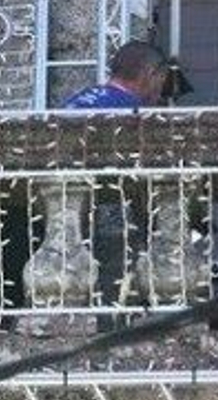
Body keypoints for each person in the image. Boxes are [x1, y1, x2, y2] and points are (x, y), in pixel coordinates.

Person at [60, 41, 171, 300]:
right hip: (112, 220)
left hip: (69, 216)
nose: (160, 92)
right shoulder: (133, 112)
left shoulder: (78, 100)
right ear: (150, 75)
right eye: (162, 81)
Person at [60, 40, 171, 112]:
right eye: (161, 81)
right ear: (149, 74)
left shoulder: (82, 95)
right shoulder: (130, 110)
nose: (159, 95)